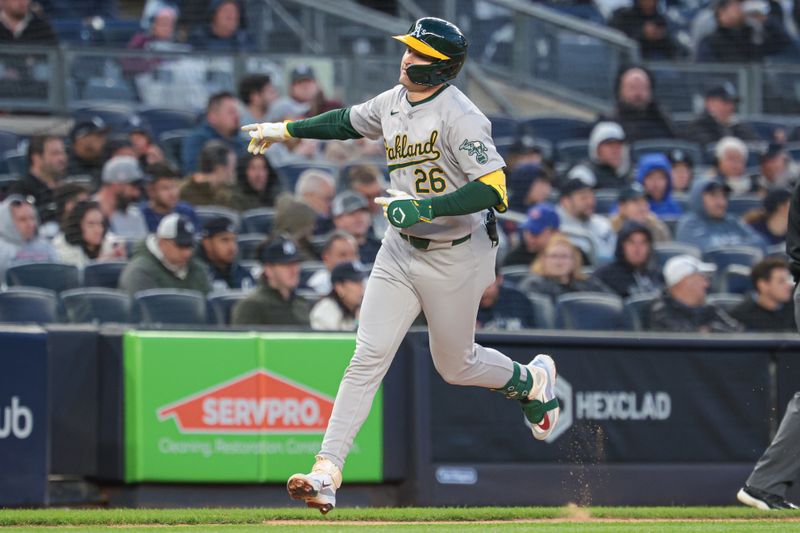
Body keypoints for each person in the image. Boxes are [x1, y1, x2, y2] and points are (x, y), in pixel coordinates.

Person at [242, 17, 560, 514]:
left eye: (417, 53)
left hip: (458, 253)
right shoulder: (394, 100)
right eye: (408, 49)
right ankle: (327, 470)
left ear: (441, 67)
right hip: (400, 247)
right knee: (367, 355)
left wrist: (427, 207)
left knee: (454, 365)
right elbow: (346, 120)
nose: (406, 58)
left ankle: (528, 380)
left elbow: (495, 188)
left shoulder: (462, 115)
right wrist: (284, 129)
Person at [118, 213, 211, 295]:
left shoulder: (197, 268)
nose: (187, 253)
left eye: (190, 246)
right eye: (181, 246)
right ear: (162, 242)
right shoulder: (139, 273)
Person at [231, 234, 311, 326]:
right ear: (268, 269)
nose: (294, 270)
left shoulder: (301, 304)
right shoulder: (251, 306)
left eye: (296, 264)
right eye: (286, 265)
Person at [649, 254, 743, 332]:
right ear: (685, 281)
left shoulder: (708, 308)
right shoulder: (661, 310)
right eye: (702, 278)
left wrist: (711, 330)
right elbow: (683, 338)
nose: (706, 284)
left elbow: (738, 332)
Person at [675, 177, 767, 254]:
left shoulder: (732, 221)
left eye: (723, 196)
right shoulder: (689, 224)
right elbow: (709, 254)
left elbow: (761, 243)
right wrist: (740, 248)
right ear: (698, 198)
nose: (721, 202)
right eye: (714, 196)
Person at [524, 234, 609, 301]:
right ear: (543, 259)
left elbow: (612, 301)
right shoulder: (533, 285)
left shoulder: (589, 284)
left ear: (574, 260)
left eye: (564, 256)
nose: (559, 261)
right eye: (553, 256)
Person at [592, 221, 664, 299]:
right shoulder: (603, 276)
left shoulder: (658, 275)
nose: (637, 249)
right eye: (631, 242)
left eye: (643, 243)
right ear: (621, 246)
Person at [555, 178, 616, 264]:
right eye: (583, 198)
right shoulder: (554, 225)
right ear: (566, 201)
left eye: (591, 197)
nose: (590, 202)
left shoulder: (602, 224)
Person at [9, 135, 67, 226]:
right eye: (55, 154)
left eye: (62, 153)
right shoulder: (21, 190)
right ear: (37, 158)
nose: (62, 158)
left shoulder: (67, 188)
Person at [610, 66, 678, 142]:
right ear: (620, 91)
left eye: (642, 87)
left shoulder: (663, 121)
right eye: (632, 88)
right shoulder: (610, 125)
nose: (638, 94)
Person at [181, 92, 244, 173]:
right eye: (231, 112)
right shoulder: (198, 140)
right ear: (212, 116)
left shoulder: (240, 141)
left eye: (237, 112)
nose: (237, 116)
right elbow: (193, 173)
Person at [51, 200, 126, 268]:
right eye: (91, 224)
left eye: (100, 223)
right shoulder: (61, 246)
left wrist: (120, 261)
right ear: (77, 226)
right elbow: (76, 279)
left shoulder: (112, 243)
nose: (98, 230)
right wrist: (101, 263)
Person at [0, 195, 58, 280]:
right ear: (6, 222)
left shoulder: (46, 246)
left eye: (32, 218)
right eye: (22, 219)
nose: (30, 224)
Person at [729, 257, 795, 332]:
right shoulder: (741, 316)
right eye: (781, 281)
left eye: (788, 280)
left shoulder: (795, 309)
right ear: (763, 285)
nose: (789, 285)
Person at [685, 83, 759, 147]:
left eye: (733, 103)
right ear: (709, 102)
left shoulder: (737, 125)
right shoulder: (697, 127)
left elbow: (755, 144)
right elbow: (718, 151)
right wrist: (723, 127)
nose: (731, 107)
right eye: (725, 102)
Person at [93, 156, 148, 240]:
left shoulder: (134, 216)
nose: (136, 193)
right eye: (133, 186)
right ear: (117, 184)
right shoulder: (85, 211)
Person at [567, 121, 630, 190]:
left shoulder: (626, 175)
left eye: (618, 146)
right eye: (610, 146)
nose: (615, 151)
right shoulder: (583, 174)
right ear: (596, 148)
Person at [197, 216, 254, 291]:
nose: (232, 247)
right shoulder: (196, 274)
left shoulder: (242, 274)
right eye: (224, 240)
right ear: (207, 243)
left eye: (234, 240)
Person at [180, 140, 241, 209]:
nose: (234, 172)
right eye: (232, 167)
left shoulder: (226, 194)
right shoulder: (182, 193)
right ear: (220, 169)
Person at [609, 0, 680, 60]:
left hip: (656, 63)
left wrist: (661, 36)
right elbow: (616, 38)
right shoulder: (623, 16)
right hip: (627, 63)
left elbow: (673, 49)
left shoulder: (663, 20)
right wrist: (642, 33)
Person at [268, 65, 341, 122]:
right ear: (291, 87)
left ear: (317, 84)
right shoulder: (281, 107)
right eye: (299, 82)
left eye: (308, 81)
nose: (305, 86)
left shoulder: (332, 106)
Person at [141, 161, 199, 232]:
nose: (173, 193)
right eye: (165, 188)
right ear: (151, 191)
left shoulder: (187, 212)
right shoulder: (141, 216)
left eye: (175, 186)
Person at [310, 261, 368, 331]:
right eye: (355, 282)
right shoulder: (324, 311)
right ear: (339, 287)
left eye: (361, 282)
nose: (361, 287)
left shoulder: (364, 308)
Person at [331, 191, 382, 265]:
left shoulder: (381, 247)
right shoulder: (330, 249)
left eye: (363, 212)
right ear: (337, 220)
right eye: (351, 213)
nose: (359, 217)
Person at [341, 164, 388, 239]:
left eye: (378, 194)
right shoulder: (344, 216)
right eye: (368, 197)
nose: (375, 201)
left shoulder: (394, 199)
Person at [306, 231, 360, 296]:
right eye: (343, 255)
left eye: (354, 254)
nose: (349, 260)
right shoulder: (316, 286)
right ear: (326, 258)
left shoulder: (367, 283)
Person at [635, 153, 683, 220]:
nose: (656, 183)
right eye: (650, 178)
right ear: (642, 180)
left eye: (660, 178)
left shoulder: (675, 208)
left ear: (668, 181)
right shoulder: (630, 207)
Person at [65, 117, 109, 185]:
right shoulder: (64, 164)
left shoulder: (106, 162)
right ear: (83, 139)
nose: (104, 140)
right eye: (99, 136)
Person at [295, 168, 336, 235]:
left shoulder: (329, 224)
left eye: (332, 199)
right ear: (308, 196)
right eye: (327, 199)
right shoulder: (292, 225)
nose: (331, 205)